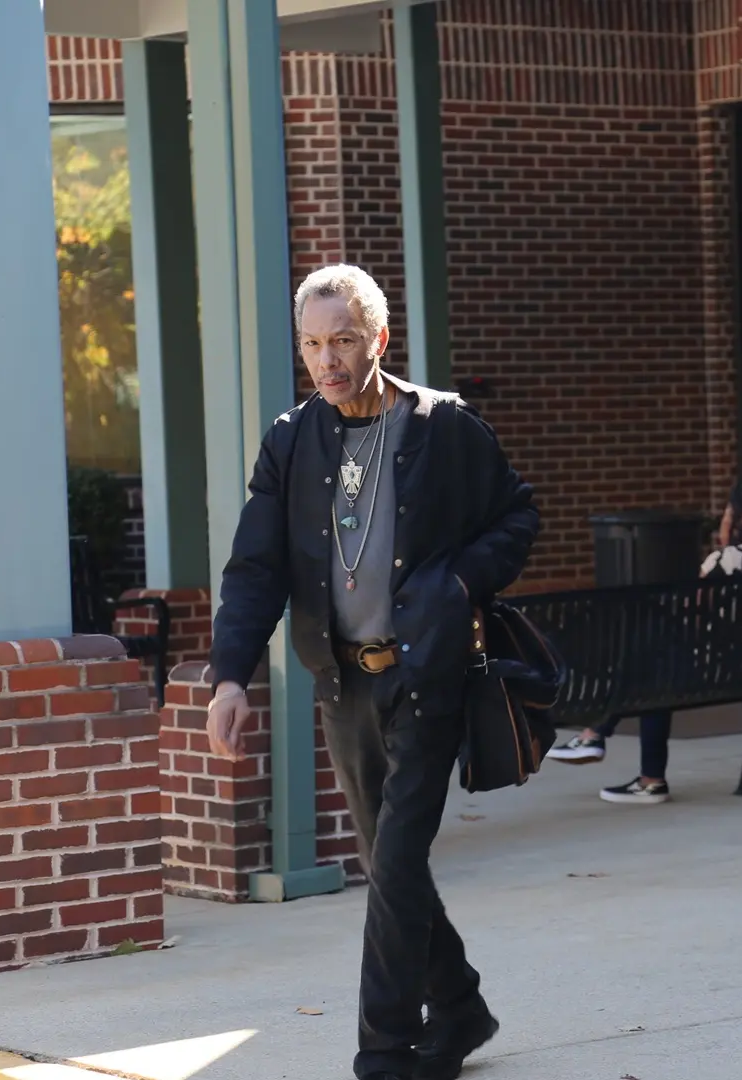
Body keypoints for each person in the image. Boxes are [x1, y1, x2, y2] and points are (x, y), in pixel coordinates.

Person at [205, 264, 538, 1080]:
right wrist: (228, 677)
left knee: (391, 866)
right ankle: (458, 1007)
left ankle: (383, 1054)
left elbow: (518, 514)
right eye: (314, 344)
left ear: (378, 339)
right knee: (392, 865)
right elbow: (256, 568)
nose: (328, 360)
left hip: (426, 677)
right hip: (342, 683)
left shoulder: (443, 427)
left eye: (344, 340)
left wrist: (458, 582)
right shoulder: (291, 440)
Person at [546, 474, 742, 805]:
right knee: (655, 662)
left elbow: (689, 608)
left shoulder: (725, 560)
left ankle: (606, 741)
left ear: (741, 514)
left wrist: (725, 540)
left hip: (721, 670)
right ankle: (609, 746)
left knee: (655, 663)